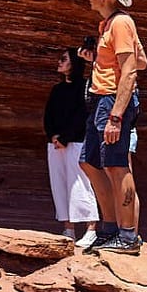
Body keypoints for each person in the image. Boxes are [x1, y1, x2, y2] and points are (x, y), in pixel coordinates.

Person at [79, 0, 147, 254]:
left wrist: (117, 115)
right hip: (100, 100)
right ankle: (109, 230)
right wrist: (99, 60)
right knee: (90, 163)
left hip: (112, 102)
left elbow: (131, 70)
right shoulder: (108, 25)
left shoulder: (121, 23)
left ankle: (128, 236)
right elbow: (141, 60)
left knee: (117, 166)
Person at [43, 47, 98, 247]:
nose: (59, 62)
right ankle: (69, 229)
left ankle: (91, 228)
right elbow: (48, 115)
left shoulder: (84, 87)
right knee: (60, 184)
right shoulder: (57, 90)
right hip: (56, 144)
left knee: (80, 184)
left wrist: (65, 137)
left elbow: (82, 116)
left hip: (76, 142)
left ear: (73, 63)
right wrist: (53, 136)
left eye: (63, 59)